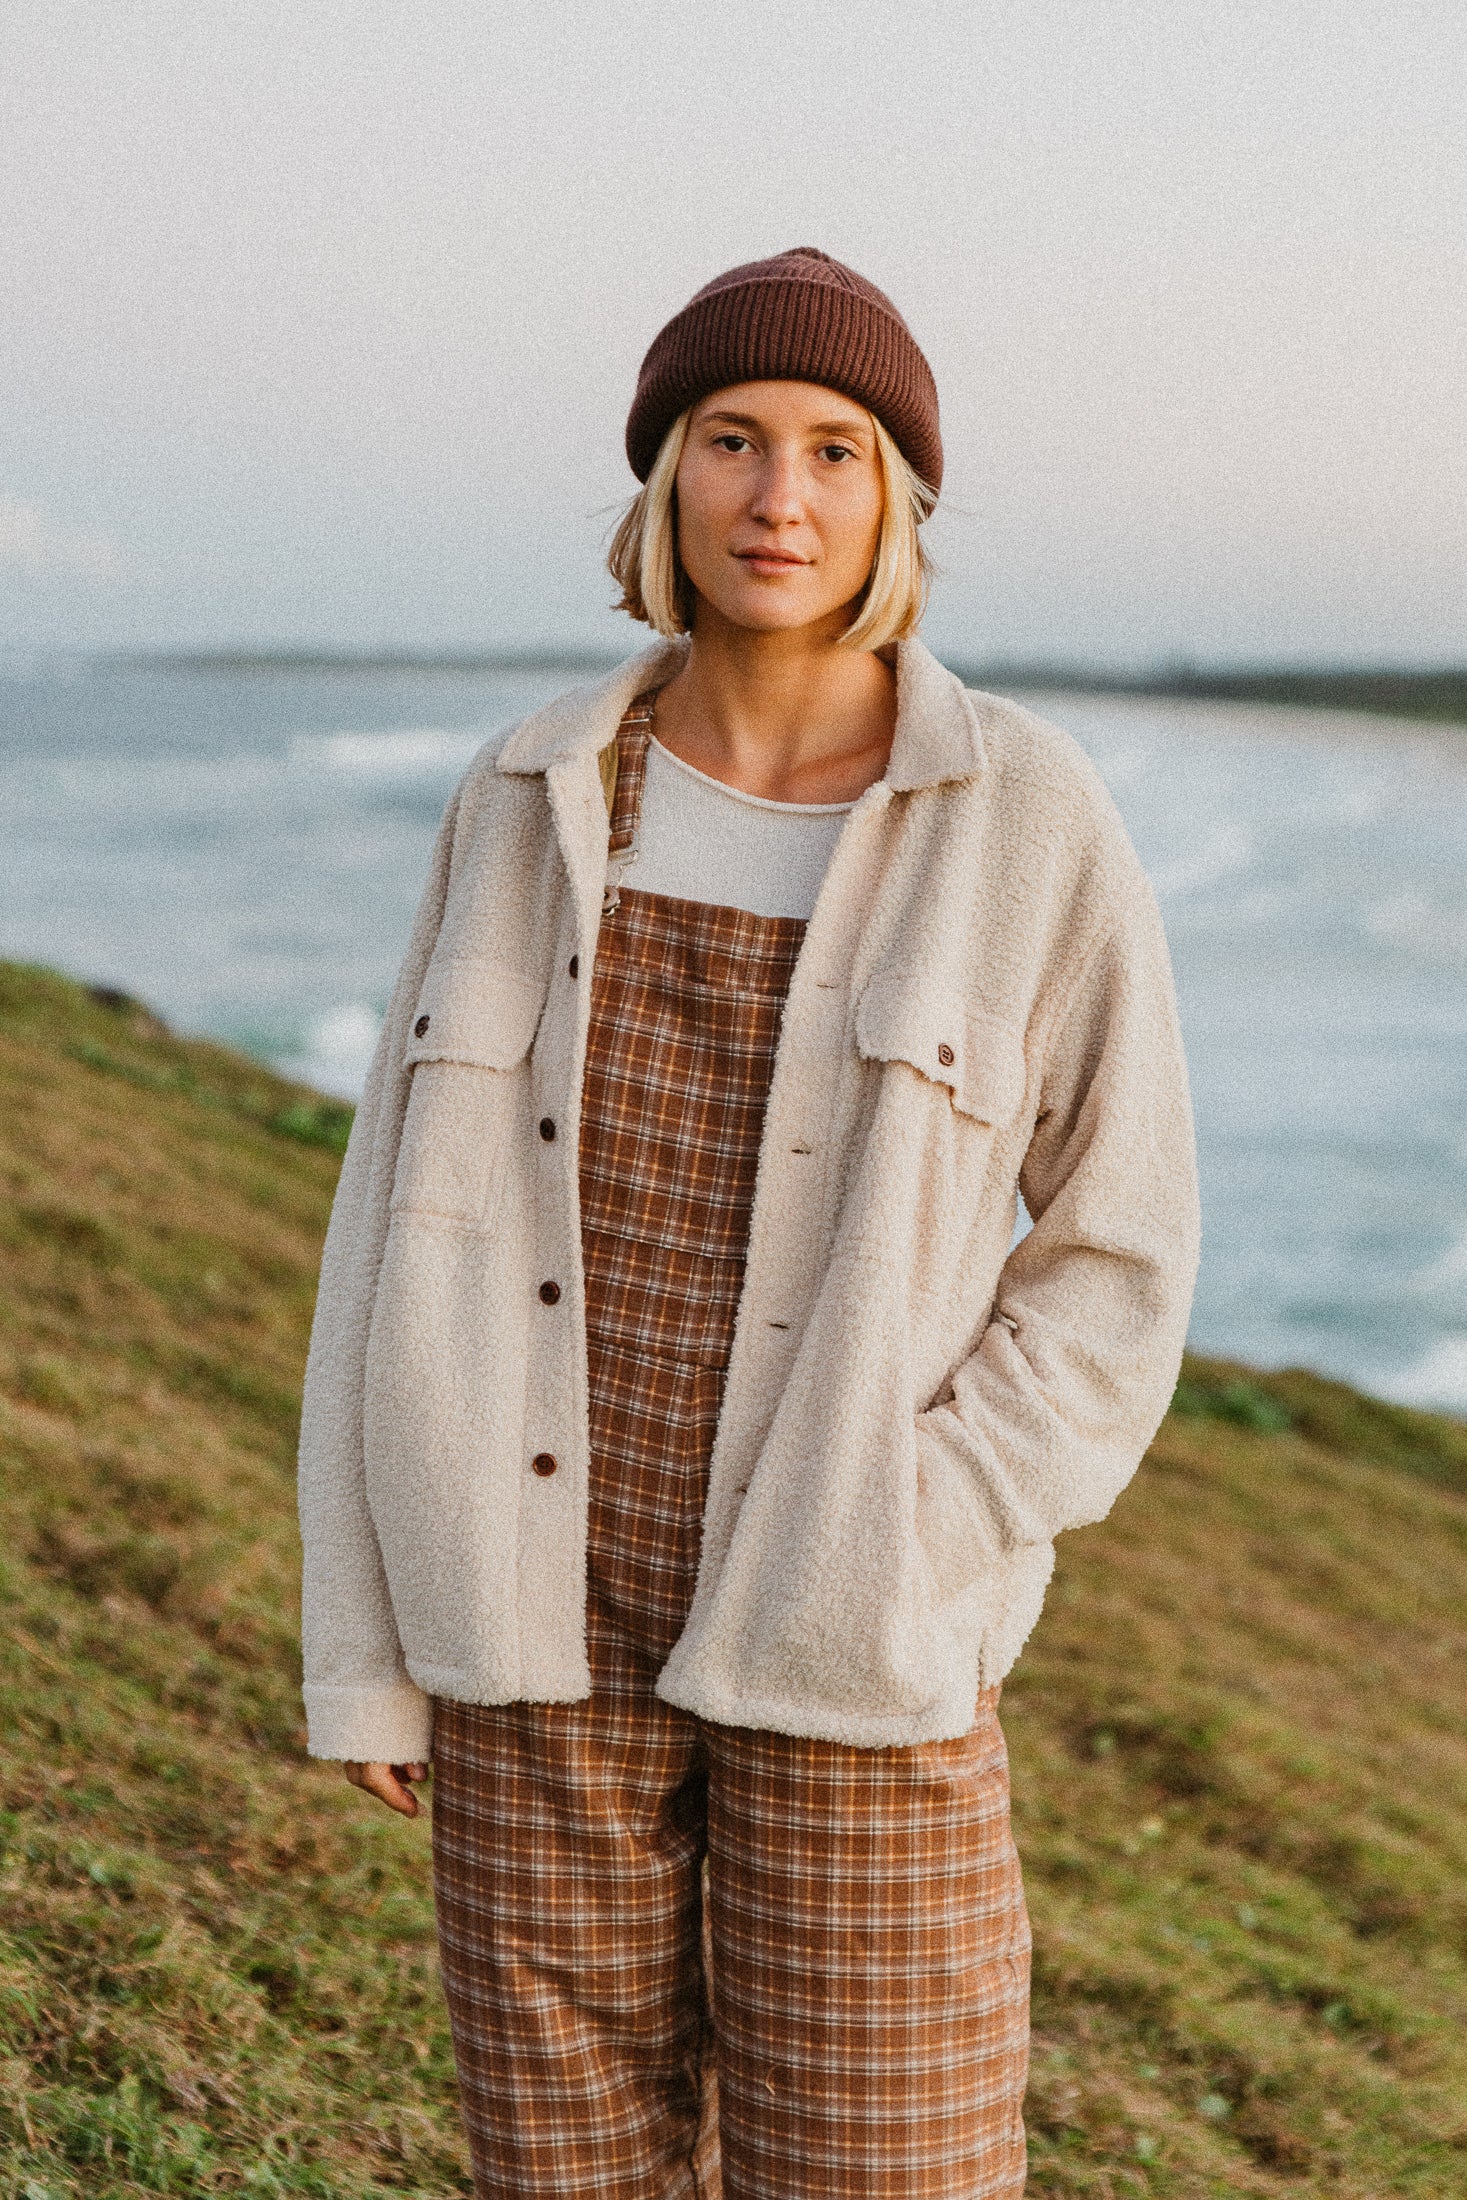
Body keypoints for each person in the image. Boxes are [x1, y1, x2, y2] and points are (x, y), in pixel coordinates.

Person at [297, 246, 1200, 2199]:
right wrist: (364, 1639)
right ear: (661, 481)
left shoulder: (1022, 815)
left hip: (845, 1618)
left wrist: (920, 1526)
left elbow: (1119, 1256)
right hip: (523, 1611)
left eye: (829, 450)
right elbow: (388, 1224)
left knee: (890, 2162)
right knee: (566, 2170)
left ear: (894, 501)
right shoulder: (529, 787)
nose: (775, 497)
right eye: (727, 442)